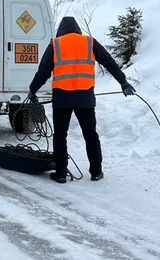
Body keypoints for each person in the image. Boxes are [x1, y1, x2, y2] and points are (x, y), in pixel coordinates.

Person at [28, 16, 135, 183]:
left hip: (62, 98)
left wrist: (32, 90)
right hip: (84, 97)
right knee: (90, 134)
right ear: (77, 29)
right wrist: (123, 82)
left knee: (60, 135)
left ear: (60, 30)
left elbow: (43, 71)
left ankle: (61, 173)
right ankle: (96, 172)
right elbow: (109, 62)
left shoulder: (56, 44)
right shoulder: (89, 42)